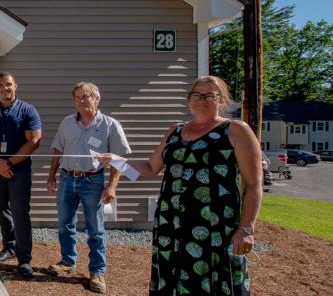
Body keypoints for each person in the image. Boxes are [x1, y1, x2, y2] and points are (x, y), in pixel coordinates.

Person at [97, 76, 261, 296]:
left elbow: (253, 184)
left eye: (210, 95)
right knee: (172, 277)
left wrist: (246, 229)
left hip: (214, 226)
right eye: (196, 94)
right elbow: (150, 168)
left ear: (222, 100)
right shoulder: (176, 131)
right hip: (170, 223)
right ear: (189, 99)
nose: (201, 99)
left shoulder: (235, 129)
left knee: (213, 280)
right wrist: (117, 160)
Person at [45, 82, 131, 294]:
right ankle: (68, 262)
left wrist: (112, 186)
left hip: (93, 181)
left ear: (96, 98)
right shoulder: (66, 123)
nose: (81, 101)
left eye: (86, 97)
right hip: (66, 179)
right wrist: (51, 176)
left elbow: (119, 159)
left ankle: (97, 271)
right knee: (65, 224)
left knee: (95, 229)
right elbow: (58, 150)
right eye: (78, 97)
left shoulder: (110, 125)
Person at [0, 73, 41, 277]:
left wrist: (9, 162)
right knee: (2, 210)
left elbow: (34, 141)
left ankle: (24, 259)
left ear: (15, 86)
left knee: (20, 212)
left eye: (9, 85)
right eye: (1, 85)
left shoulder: (28, 110)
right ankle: (9, 248)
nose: (5, 88)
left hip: (19, 170)